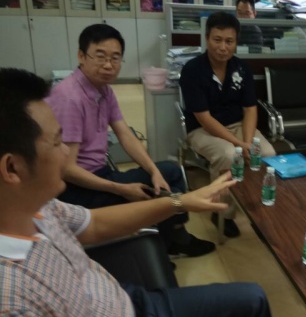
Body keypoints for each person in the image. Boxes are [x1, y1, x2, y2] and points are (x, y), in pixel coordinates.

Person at [0, 67, 290, 317]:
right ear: (12, 168)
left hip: (131, 308)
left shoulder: (38, 206)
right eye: (57, 142)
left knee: (254, 298)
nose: (66, 155)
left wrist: (181, 201)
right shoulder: (10, 305)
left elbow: (94, 223)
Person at [46, 24, 215, 258]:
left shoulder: (104, 90)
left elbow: (125, 134)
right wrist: (121, 189)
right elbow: (66, 169)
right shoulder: (70, 98)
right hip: (77, 191)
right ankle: (168, 243)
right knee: (168, 183)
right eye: (100, 56)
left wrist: (153, 170)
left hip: (100, 175)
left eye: (115, 58)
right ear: (81, 56)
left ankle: (168, 240)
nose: (108, 65)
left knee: (167, 174)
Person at [180, 12, 276, 238]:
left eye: (229, 41)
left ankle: (258, 210)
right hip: (203, 130)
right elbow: (204, 118)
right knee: (228, 155)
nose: (223, 47)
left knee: (267, 154)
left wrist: (248, 142)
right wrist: (238, 144)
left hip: (238, 126)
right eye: (217, 40)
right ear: (207, 38)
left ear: (236, 42)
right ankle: (222, 212)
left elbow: (250, 109)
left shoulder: (241, 68)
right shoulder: (193, 70)